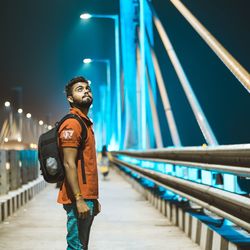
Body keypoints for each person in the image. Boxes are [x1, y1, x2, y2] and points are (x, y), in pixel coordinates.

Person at [57, 76, 100, 250]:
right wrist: (79, 199)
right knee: (75, 246)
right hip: (78, 198)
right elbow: (69, 163)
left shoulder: (84, 123)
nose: (86, 91)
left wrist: (93, 198)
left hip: (86, 196)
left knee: (81, 246)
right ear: (70, 98)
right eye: (79, 89)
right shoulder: (72, 124)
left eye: (87, 88)